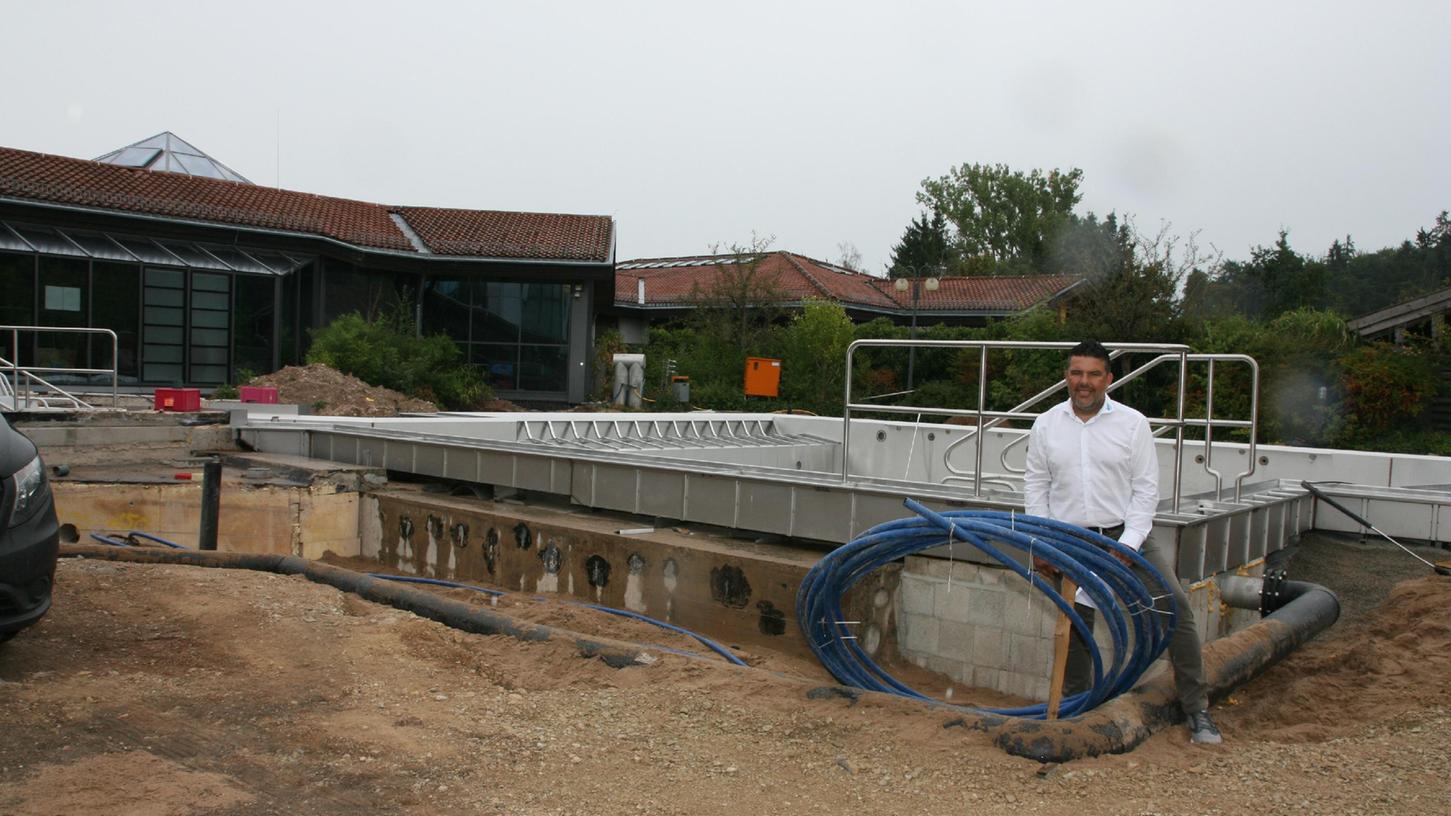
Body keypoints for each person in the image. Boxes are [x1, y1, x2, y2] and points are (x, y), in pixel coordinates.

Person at [1022, 340, 1222, 745]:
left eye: (1094, 374)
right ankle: (1075, 711)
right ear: (1067, 376)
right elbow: (1036, 485)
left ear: (1108, 379)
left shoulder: (1132, 424)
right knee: (1077, 623)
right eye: (1077, 373)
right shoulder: (1046, 424)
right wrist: (1041, 541)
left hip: (1124, 534)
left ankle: (1196, 709)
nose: (1084, 382)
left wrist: (1128, 545)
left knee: (1174, 609)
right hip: (1070, 537)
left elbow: (1146, 492)